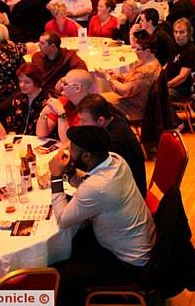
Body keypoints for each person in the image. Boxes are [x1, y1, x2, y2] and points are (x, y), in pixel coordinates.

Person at [49, 125, 155, 305]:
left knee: (59, 274)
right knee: (73, 241)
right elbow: (89, 184)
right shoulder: (115, 160)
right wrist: (71, 171)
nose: (68, 150)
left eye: (73, 148)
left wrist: (56, 177)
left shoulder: (98, 187)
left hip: (128, 262)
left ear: (87, 156)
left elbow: (63, 220)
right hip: (141, 243)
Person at [76, 94, 147, 197]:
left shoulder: (113, 143)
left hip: (129, 198)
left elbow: (103, 182)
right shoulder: (113, 117)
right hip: (124, 187)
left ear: (101, 120)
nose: (80, 125)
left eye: (84, 121)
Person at [99, 30, 161, 121]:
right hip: (132, 102)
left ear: (147, 51)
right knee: (98, 100)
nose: (135, 51)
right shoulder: (151, 63)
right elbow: (133, 82)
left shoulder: (146, 72)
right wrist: (117, 76)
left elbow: (125, 90)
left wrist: (108, 77)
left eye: (138, 49)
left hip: (133, 109)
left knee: (97, 105)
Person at [36, 69, 93, 141]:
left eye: (65, 84)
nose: (61, 85)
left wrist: (61, 114)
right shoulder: (62, 101)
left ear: (77, 88)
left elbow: (69, 142)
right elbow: (41, 133)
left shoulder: (90, 110)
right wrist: (44, 113)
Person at [4, 63, 50, 136]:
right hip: (19, 140)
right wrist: (12, 133)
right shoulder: (18, 97)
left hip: (40, 139)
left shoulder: (47, 100)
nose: (22, 85)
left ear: (37, 82)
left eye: (27, 82)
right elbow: (10, 121)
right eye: (20, 81)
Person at [166, 18, 195, 101]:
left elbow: (182, 77)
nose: (178, 35)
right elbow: (167, 65)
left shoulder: (191, 50)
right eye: (176, 32)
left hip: (181, 89)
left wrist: (165, 85)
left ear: (188, 33)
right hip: (170, 83)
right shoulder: (175, 46)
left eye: (181, 32)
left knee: (155, 96)